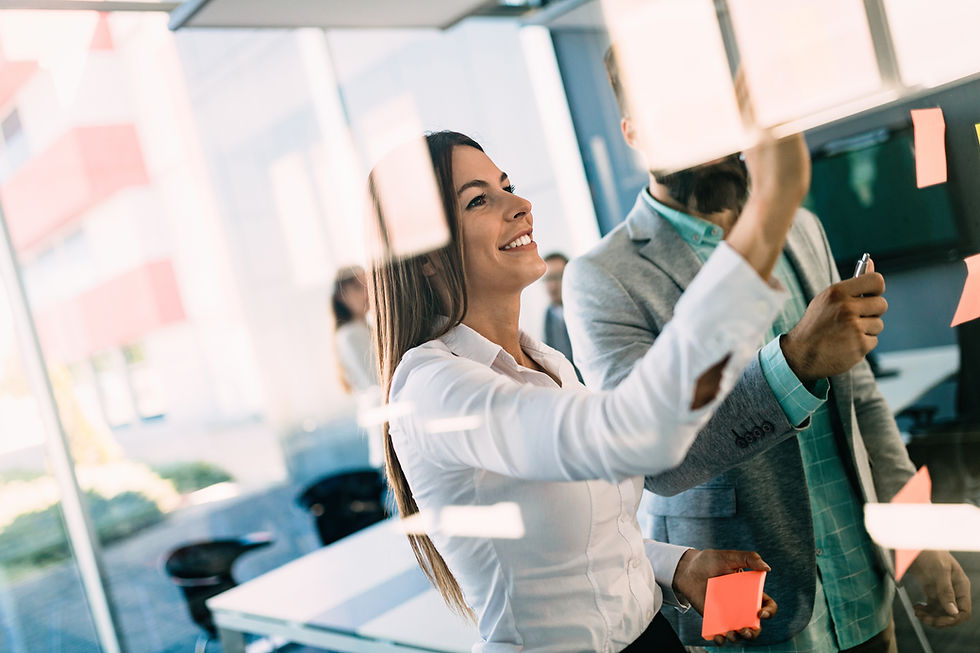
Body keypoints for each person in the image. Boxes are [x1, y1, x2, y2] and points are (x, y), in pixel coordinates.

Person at [562, 45, 972, 652]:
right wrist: (795, 362)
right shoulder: (603, 277)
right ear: (634, 134)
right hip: (747, 602)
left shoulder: (798, 226)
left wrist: (914, 531)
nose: (718, 139)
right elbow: (653, 463)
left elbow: (860, 401)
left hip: (861, 579)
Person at [368, 128, 812, 651]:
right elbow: (634, 435)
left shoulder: (547, 363)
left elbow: (582, 540)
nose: (520, 205)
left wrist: (679, 564)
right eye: (480, 200)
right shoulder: (433, 388)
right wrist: (767, 215)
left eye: (507, 185)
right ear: (423, 253)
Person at [331, 265, 383, 467]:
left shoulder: (362, 328)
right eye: (359, 287)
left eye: (368, 284)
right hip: (384, 423)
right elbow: (377, 380)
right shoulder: (351, 334)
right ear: (342, 296)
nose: (368, 292)